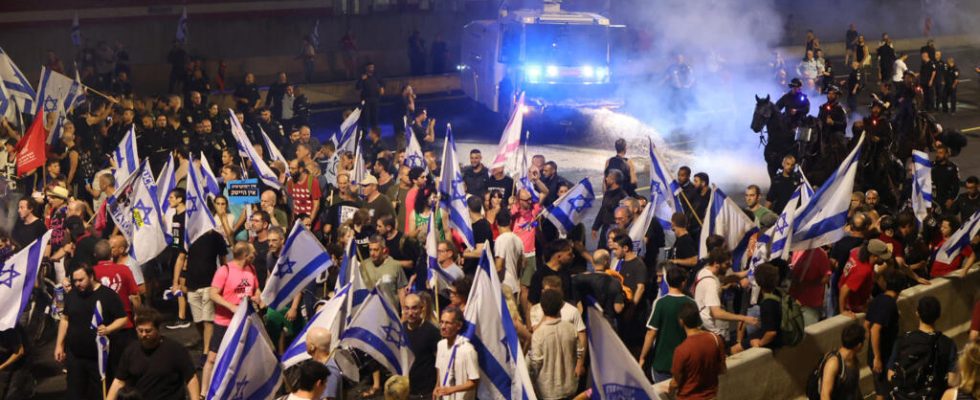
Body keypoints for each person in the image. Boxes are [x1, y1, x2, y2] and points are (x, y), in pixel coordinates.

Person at [56, 265, 129, 400]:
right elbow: (65, 319)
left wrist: (109, 329)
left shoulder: (107, 295)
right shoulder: (72, 294)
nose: (77, 284)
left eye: (81, 280)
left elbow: (123, 318)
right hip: (75, 355)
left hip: (99, 357)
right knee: (74, 393)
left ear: (91, 277)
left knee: (99, 394)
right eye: (75, 281)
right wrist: (59, 345)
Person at [203, 242, 262, 395]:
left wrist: (257, 297)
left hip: (245, 321)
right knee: (212, 358)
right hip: (224, 322)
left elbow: (256, 289)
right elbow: (213, 293)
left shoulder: (251, 269)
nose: (255, 255)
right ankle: (203, 393)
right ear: (245, 255)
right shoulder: (225, 270)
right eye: (252, 253)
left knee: (241, 358)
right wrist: (231, 306)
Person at [106, 307, 199, 400]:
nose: (143, 334)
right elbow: (119, 381)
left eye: (148, 331)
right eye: (140, 330)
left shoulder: (175, 350)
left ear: (158, 329)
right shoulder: (131, 351)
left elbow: (191, 378)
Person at [888, 296, 958, 399]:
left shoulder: (902, 340)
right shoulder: (948, 343)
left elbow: (890, 376)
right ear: (938, 315)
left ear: (917, 313)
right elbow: (952, 380)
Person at [640, 266, 696, 383]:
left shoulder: (660, 303)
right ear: (683, 282)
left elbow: (651, 333)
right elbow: (697, 332)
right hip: (686, 362)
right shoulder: (691, 303)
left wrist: (642, 357)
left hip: (662, 363)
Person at [694, 247, 758, 342]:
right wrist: (744, 318)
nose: (729, 266)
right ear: (716, 264)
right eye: (727, 264)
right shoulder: (710, 284)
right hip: (713, 330)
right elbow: (717, 313)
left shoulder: (704, 271)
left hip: (704, 326)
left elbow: (726, 278)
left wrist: (751, 270)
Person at [528, 290, 580, 400]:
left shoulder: (538, 334)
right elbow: (578, 352)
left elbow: (535, 364)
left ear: (542, 307)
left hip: (547, 391)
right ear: (561, 306)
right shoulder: (571, 328)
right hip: (570, 387)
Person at [669, 301, 727, 399]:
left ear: (681, 321)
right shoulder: (715, 339)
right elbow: (722, 369)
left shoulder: (681, 350)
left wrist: (670, 388)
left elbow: (676, 382)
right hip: (711, 396)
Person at [864, 271, 903, 400]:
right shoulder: (889, 304)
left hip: (875, 354)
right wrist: (877, 357)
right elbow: (875, 329)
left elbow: (867, 325)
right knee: (883, 392)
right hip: (882, 356)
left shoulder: (878, 299)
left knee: (882, 389)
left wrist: (872, 350)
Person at [732, 263, 781, 353]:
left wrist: (759, 343)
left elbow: (771, 333)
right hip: (772, 335)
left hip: (768, 339)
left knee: (734, 350)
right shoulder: (779, 294)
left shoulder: (768, 303)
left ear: (758, 281)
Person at [435, 306, 479, 400]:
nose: (443, 327)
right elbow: (440, 369)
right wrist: (437, 386)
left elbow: (474, 381)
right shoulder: (441, 345)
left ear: (458, 326)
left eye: (448, 323)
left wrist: (452, 389)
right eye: (442, 322)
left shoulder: (467, 350)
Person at [402, 294, 440, 398]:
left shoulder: (432, 332)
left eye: (414, 308)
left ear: (421, 308)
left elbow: (440, 362)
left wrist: (438, 386)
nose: (410, 313)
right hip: (406, 390)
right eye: (407, 308)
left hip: (426, 391)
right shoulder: (400, 330)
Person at [840, 239, 891, 316]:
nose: (884, 260)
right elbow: (844, 289)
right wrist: (843, 311)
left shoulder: (857, 252)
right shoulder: (863, 271)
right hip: (855, 305)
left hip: (860, 298)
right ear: (874, 257)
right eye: (883, 257)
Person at [815, 323, 865, 400]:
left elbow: (854, 387)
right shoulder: (833, 363)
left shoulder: (854, 359)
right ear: (859, 345)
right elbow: (825, 395)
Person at [360, 235, 408, 309]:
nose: (372, 253)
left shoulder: (395, 265)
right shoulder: (364, 266)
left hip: (390, 314)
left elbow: (401, 290)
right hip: (370, 312)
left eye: (376, 250)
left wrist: (404, 311)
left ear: (384, 250)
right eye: (370, 250)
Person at [356, 62, 384, 131]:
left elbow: (382, 83)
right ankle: (364, 133)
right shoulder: (363, 77)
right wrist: (362, 80)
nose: (371, 68)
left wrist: (382, 88)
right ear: (366, 68)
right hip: (366, 100)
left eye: (372, 67)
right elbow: (357, 87)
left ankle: (375, 132)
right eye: (370, 67)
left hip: (375, 99)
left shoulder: (376, 76)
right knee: (366, 117)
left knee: (375, 116)